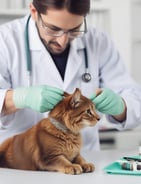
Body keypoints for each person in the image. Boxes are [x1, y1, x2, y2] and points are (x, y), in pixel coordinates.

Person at [0, 0, 141, 151]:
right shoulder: (5, 41)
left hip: (84, 161)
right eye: (53, 29)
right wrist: (16, 98)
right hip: (22, 164)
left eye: (74, 30)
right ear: (34, 12)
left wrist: (121, 107)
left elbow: (133, 99)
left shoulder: (98, 41)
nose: (63, 41)